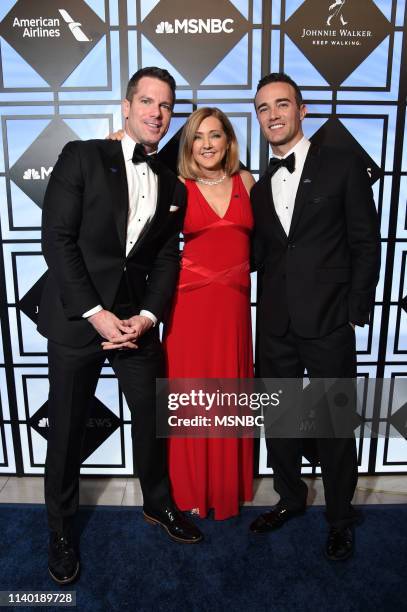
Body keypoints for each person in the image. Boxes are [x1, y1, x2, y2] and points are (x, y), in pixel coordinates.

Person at [38, 66, 203, 585]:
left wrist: (147, 316)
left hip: (135, 323)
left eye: (166, 106)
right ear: (126, 107)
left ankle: (158, 503)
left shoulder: (173, 184)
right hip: (80, 319)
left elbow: (166, 261)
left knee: (153, 416)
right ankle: (61, 531)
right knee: (66, 432)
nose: (157, 113)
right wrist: (96, 312)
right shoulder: (82, 156)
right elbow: (57, 238)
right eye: (148, 102)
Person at [249, 73, 381, 560]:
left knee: (332, 424)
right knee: (280, 419)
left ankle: (341, 517)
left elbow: (366, 243)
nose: (274, 115)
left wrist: (354, 313)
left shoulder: (342, 165)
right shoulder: (259, 187)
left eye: (282, 104)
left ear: (302, 111)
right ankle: (290, 497)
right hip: (276, 323)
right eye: (263, 108)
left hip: (329, 320)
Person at [164, 108, 255, 519]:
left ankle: (224, 488)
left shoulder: (247, 182)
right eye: (198, 137)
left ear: (228, 141)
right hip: (190, 307)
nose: (206, 144)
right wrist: (114, 145)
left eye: (215, 135)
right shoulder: (178, 185)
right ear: (188, 145)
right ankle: (190, 489)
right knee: (192, 393)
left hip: (233, 307)